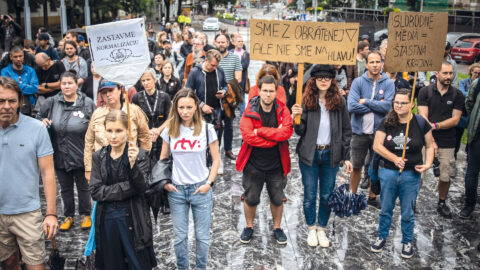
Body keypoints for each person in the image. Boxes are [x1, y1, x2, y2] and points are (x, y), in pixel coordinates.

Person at [291, 65, 352, 247]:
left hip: (331, 155)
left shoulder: (340, 102)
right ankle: (311, 228)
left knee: (326, 195)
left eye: (327, 78)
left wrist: (346, 156)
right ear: (314, 80)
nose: (323, 81)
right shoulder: (307, 100)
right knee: (310, 194)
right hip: (309, 154)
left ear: (332, 80)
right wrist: (296, 117)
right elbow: (300, 131)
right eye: (320, 78)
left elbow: (347, 131)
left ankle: (322, 229)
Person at [0, 76, 58, 270]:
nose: (7, 106)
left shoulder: (36, 129)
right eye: (1, 101)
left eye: (12, 101)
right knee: (8, 264)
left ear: (20, 102)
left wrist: (51, 213)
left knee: (35, 265)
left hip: (28, 212)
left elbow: (48, 172)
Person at [370, 89, 434, 258]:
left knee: (407, 210)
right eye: (396, 102)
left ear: (412, 104)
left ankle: (407, 241)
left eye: (404, 103)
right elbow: (377, 145)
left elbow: (429, 145)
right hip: (389, 171)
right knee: (386, 208)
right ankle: (382, 236)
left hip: (411, 174)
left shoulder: (420, 122)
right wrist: (394, 158)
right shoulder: (387, 121)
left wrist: (427, 164)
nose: (399, 106)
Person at [160, 89, 220, 270]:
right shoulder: (170, 129)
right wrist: (166, 183)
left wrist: (208, 184)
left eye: (189, 107)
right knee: (180, 238)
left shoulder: (207, 129)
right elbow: (163, 159)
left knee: (202, 237)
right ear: (175, 108)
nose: (184, 111)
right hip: (177, 190)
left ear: (196, 107)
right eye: (181, 107)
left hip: (200, 189)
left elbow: (216, 159)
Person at [90, 110, 157, 270]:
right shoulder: (98, 157)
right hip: (107, 220)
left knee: (137, 263)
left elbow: (142, 187)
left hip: (134, 217)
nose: (113, 136)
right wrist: (128, 187)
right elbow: (96, 191)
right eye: (110, 130)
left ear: (128, 131)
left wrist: (133, 167)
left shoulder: (140, 156)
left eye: (118, 131)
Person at [236, 76, 293, 245]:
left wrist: (260, 131)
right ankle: (249, 226)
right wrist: (275, 136)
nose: (268, 94)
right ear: (259, 91)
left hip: (277, 164)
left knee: (277, 198)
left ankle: (277, 227)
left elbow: (286, 133)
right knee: (251, 197)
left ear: (276, 92)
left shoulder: (283, 110)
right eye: (265, 91)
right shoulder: (249, 110)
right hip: (253, 164)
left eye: (271, 91)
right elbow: (248, 137)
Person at [37, 70, 95, 231]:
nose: (67, 86)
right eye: (64, 84)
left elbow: (96, 123)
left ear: (77, 84)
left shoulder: (87, 103)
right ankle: (68, 215)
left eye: (70, 83)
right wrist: (43, 121)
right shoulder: (52, 102)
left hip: (81, 152)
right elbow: (37, 118)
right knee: (65, 188)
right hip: (60, 153)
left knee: (83, 187)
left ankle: (85, 214)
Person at [347, 51, 395, 207]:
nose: (375, 65)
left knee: (375, 166)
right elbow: (352, 105)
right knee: (356, 166)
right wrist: (376, 106)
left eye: (378, 62)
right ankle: (352, 195)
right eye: (372, 62)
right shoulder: (358, 82)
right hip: (359, 132)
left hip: (379, 132)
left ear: (382, 63)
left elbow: (388, 107)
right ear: (366, 64)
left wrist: (366, 101)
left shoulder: (388, 83)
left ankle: (373, 196)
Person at [417, 61, 465, 218]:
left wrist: (436, 126)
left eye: (451, 73)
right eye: (445, 73)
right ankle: (413, 200)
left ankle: (442, 202)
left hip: (447, 139)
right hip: (424, 138)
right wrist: (431, 140)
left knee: (445, 174)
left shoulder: (457, 95)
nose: (449, 76)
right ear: (436, 74)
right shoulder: (425, 91)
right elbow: (422, 116)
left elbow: (455, 120)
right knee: (418, 173)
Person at [84, 80, 152, 182]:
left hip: (129, 167)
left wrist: (142, 163)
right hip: (102, 170)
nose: (108, 95)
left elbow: (145, 137)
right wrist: (88, 168)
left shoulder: (133, 111)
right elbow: (89, 141)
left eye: (111, 90)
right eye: (104, 92)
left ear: (120, 90)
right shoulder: (97, 114)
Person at [132, 68, 171, 163]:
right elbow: (134, 120)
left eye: (148, 79)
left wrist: (158, 130)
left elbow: (170, 118)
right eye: (143, 80)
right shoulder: (136, 97)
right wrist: (147, 131)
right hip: (144, 138)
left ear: (155, 79)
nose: (146, 83)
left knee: (161, 166)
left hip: (162, 137)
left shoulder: (165, 97)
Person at [461, 76, 480, 218]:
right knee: (472, 172)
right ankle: (469, 203)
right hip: (477, 136)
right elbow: (469, 103)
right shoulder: (477, 82)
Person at [1, 46, 39, 115]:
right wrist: (26, 85)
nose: (18, 59)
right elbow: (6, 88)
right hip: (12, 105)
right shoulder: (5, 71)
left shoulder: (30, 70)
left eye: (20, 56)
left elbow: (35, 88)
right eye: (15, 57)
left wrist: (16, 85)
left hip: (30, 106)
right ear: (11, 57)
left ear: (23, 56)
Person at [231, 35, 250, 116]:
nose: (241, 43)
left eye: (242, 41)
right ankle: (230, 115)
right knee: (231, 97)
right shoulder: (230, 52)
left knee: (241, 97)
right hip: (231, 79)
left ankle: (242, 116)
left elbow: (245, 65)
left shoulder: (246, 54)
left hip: (241, 80)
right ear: (234, 43)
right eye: (239, 41)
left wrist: (234, 65)